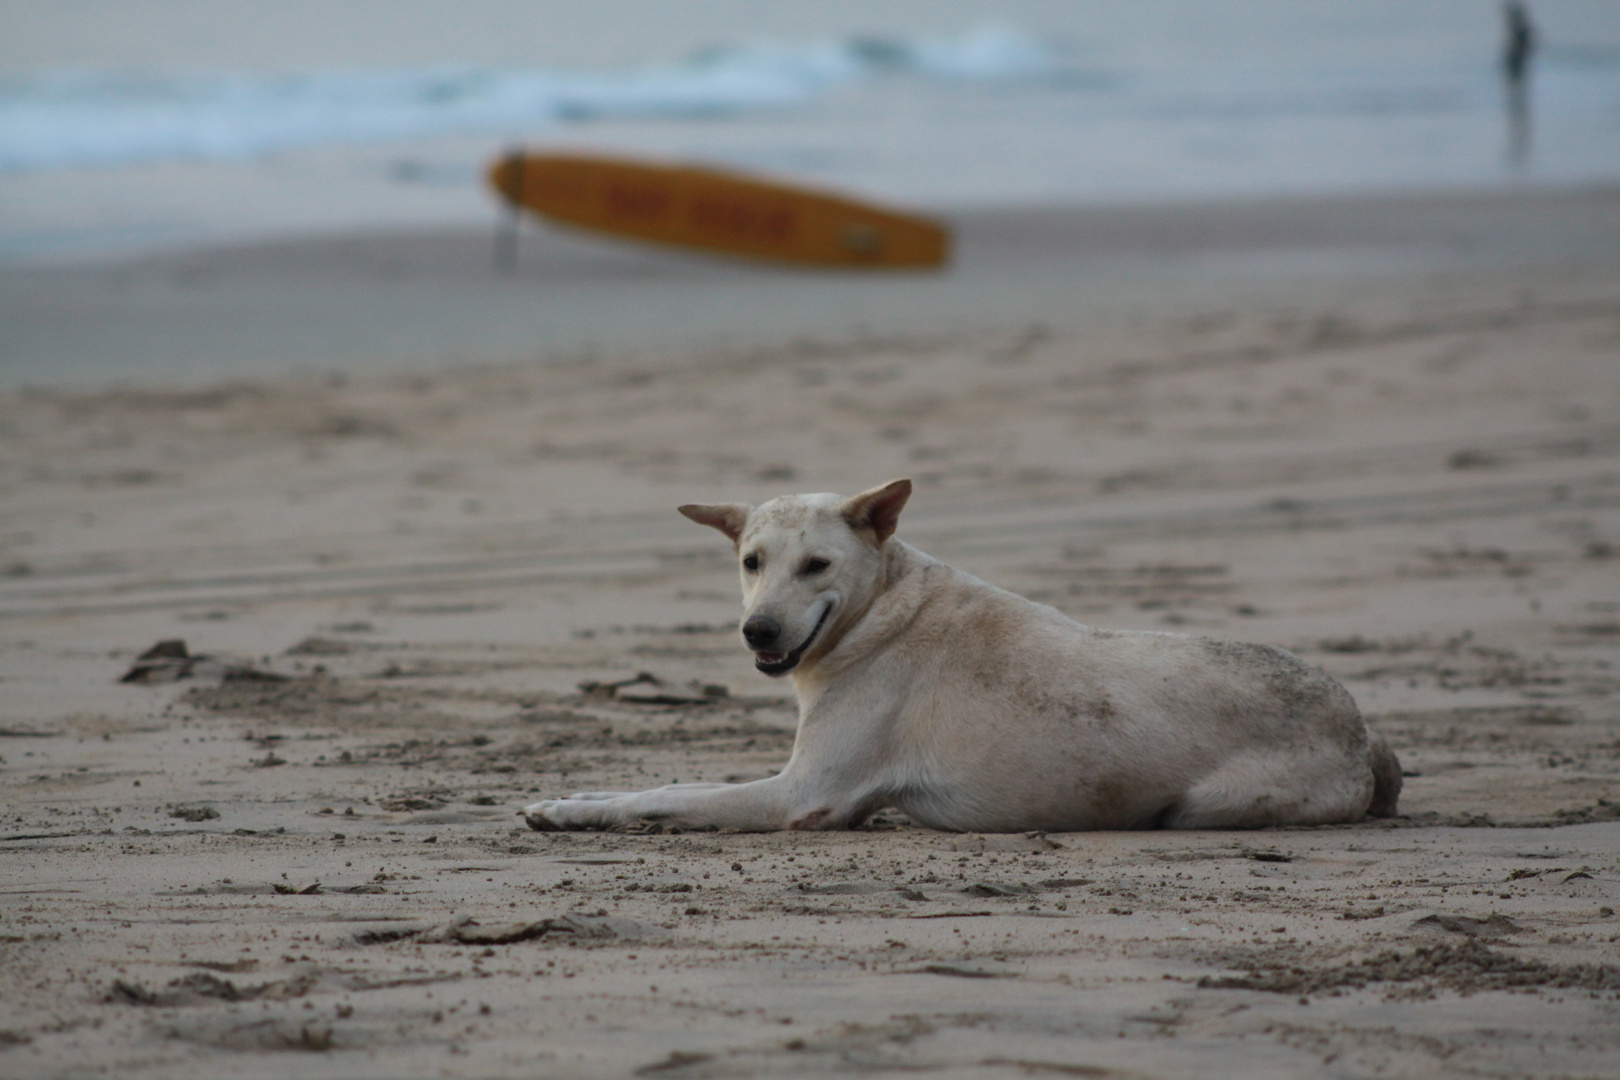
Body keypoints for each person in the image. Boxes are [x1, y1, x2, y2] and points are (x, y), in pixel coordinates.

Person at [1502, 2, 1536, 166]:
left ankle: (1518, 121)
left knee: (1517, 99)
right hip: (1516, 65)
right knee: (1517, 97)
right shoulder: (1521, 29)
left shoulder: (1521, 30)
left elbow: (1527, 48)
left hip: (1517, 65)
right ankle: (1518, 118)